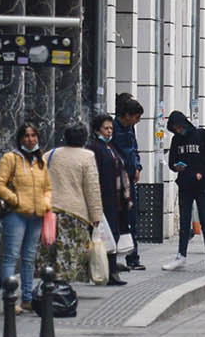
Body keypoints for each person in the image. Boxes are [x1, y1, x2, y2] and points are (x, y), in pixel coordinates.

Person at [0, 121, 52, 313]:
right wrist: (14, 199)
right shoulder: (11, 158)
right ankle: (9, 300)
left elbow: (48, 187)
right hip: (16, 215)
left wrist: (46, 203)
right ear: (20, 138)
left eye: (33, 135)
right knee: (11, 257)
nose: (30, 139)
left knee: (29, 258)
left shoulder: (40, 160)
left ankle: (27, 298)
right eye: (26, 135)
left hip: (36, 215)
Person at [42, 124, 106, 284]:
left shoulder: (50, 154)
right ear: (84, 138)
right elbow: (92, 187)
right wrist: (96, 215)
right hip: (75, 213)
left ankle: (50, 281)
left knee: (51, 248)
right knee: (71, 250)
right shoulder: (87, 156)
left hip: (50, 211)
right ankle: (64, 283)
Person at [162, 111, 205, 272]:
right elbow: (172, 161)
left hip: (202, 185)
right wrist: (176, 166)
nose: (179, 130)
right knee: (184, 222)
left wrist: (202, 173)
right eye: (175, 128)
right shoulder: (176, 140)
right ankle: (181, 256)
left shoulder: (201, 135)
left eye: (180, 126)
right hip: (185, 185)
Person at [88, 114, 130, 285]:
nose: (108, 131)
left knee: (113, 234)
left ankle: (111, 269)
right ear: (97, 129)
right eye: (105, 128)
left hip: (116, 198)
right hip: (104, 198)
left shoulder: (110, 147)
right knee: (107, 236)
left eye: (111, 128)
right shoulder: (95, 148)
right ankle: (109, 271)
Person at [112, 95, 145, 271]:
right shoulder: (114, 129)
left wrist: (138, 166)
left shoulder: (130, 129)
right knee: (117, 217)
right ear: (126, 115)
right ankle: (114, 258)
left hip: (130, 179)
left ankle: (133, 257)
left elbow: (134, 149)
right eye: (136, 117)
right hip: (117, 179)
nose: (137, 121)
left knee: (132, 218)